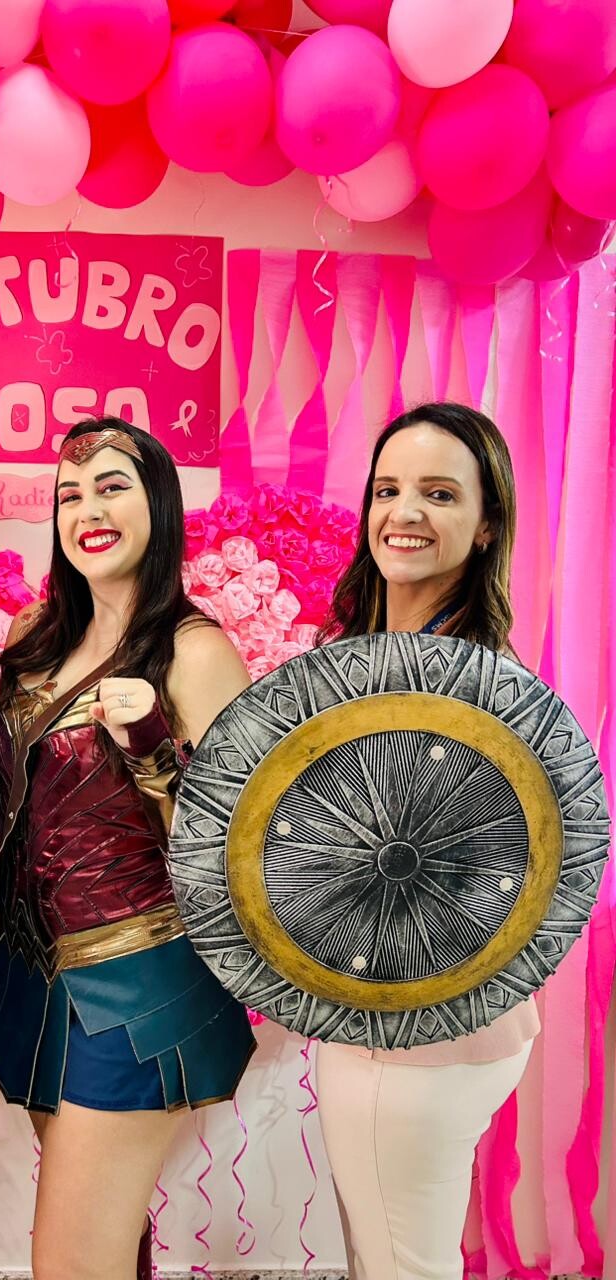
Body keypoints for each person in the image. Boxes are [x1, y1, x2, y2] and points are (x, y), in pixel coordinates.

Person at [0, 417, 256, 1280]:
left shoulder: (195, 651)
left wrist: (154, 750)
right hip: (31, 975)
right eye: (69, 494)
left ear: (158, 502)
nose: (87, 509)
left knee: (71, 1264)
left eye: (112, 486)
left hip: (140, 987)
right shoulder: (34, 635)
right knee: (106, 1245)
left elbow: (238, 851)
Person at [314, 401, 539, 1280]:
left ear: (486, 526)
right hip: (416, 1031)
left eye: (439, 494)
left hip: (412, 1040)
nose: (403, 512)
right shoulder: (379, 654)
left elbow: (446, 887)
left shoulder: (467, 686)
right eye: (387, 490)